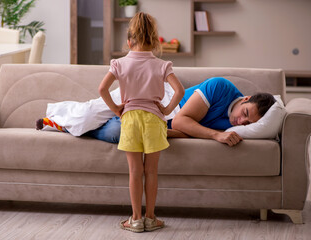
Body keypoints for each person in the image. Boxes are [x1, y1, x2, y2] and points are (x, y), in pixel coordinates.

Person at [98, 12, 184, 233]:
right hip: (155, 119)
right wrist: (165, 109)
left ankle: (135, 220)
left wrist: (116, 109)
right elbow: (180, 90)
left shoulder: (119, 63)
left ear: (129, 40)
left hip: (130, 120)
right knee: (151, 172)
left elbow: (102, 89)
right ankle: (151, 218)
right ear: (155, 42)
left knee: (135, 171)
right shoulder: (162, 65)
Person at [87, 77, 276, 147]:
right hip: (158, 103)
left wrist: (162, 132)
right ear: (246, 99)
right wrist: (215, 135)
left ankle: (83, 130)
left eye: (248, 123)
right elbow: (180, 121)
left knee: (116, 131)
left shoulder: (238, 128)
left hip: (158, 124)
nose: (240, 121)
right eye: (245, 113)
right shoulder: (221, 87)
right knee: (88, 114)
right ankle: (64, 120)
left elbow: (185, 130)